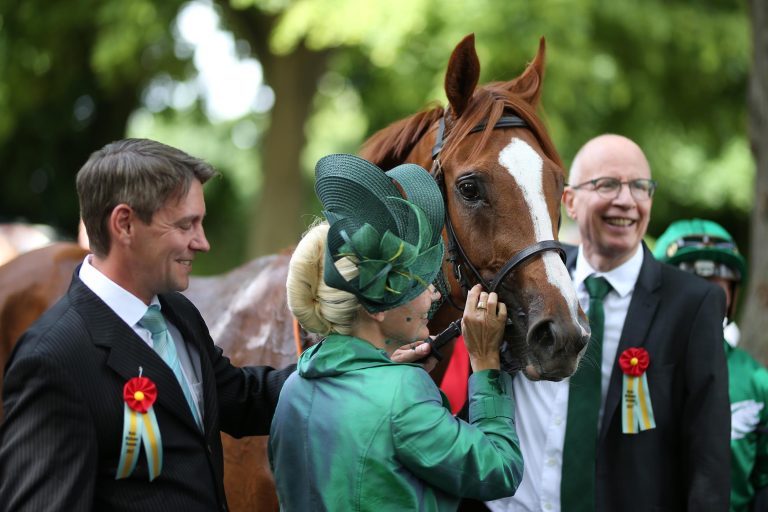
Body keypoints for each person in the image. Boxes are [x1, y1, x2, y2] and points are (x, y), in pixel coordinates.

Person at [0, 138, 302, 511]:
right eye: (186, 224)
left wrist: (349, 362)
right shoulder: (52, 360)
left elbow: (239, 398)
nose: (202, 242)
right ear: (125, 224)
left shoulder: (178, 313)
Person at [487, 134, 731, 512]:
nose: (627, 200)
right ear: (568, 201)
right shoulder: (524, 284)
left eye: (640, 187)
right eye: (607, 184)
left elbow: (708, 456)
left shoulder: (694, 303)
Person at [269, 154, 524, 510]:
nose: (434, 293)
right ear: (379, 308)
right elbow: (501, 470)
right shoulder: (404, 393)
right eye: (419, 284)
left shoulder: (294, 387)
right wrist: (485, 364)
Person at [655, 218, 768, 512]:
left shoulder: (759, 382)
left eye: (717, 285)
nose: (704, 296)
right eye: (691, 283)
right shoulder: (632, 368)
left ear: (732, 294)